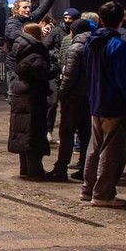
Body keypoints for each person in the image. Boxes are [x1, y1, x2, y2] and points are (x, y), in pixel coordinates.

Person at [80, 3, 126, 206]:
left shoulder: (91, 42)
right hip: (114, 103)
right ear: (121, 20)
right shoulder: (118, 45)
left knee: (94, 146)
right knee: (111, 150)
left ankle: (88, 189)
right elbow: (124, 80)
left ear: (101, 19)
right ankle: (103, 194)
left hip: (95, 100)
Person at [47, 17, 94, 183]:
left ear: (73, 31)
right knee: (86, 134)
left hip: (74, 97)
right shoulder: (95, 44)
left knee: (67, 134)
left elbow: (69, 75)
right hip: (90, 96)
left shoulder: (76, 47)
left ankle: (61, 168)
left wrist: (62, 93)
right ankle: (85, 168)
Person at [3, 0, 66, 91]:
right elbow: (15, 35)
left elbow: (43, 7)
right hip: (15, 66)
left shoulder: (31, 18)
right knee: (16, 95)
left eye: (29, 8)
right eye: (24, 7)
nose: (28, 10)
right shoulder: (12, 22)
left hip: (29, 64)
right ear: (17, 9)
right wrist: (37, 31)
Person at [7, 22, 53, 179]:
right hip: (32, 95)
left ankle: (25, 168)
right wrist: (55, 68)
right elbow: (44, 72)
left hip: (20, 92)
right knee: (33, 131)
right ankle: (35, 169)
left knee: (23, 131)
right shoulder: (34, 53)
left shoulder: (20, 48)